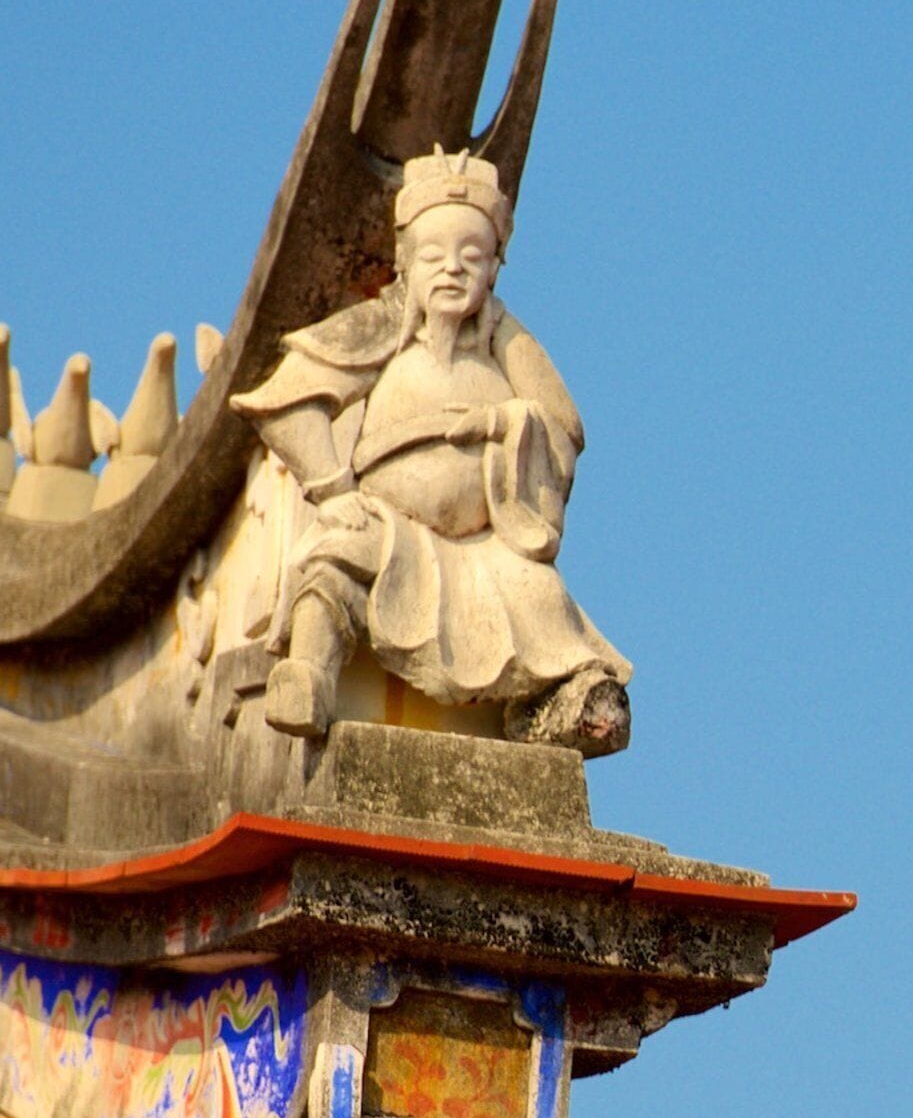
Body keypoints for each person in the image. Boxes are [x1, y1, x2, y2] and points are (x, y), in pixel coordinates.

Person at [229, 151, 630, 752]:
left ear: (493, 269)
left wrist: (502, 421)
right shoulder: (382, 330)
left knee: (541, 595)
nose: (452, 270)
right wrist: (333, 490)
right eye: (434, 255)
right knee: (338, 556)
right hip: (390, 526)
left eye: (472, 256)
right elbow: (286, 401)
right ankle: (309, 675)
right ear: (405, 262)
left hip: (488, 547)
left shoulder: (503, 343)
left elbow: (562, 425)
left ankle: (561, 708)